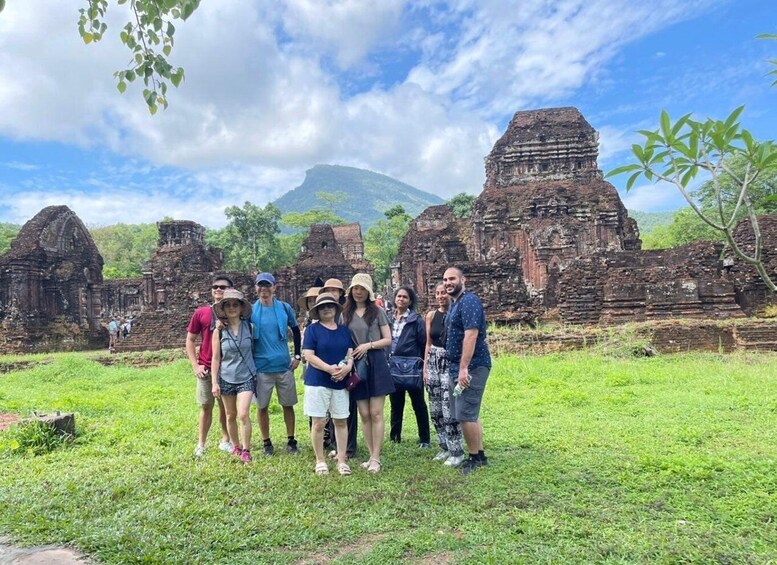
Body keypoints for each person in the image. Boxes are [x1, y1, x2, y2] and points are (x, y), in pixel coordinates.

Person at [442, 266, 492, 476]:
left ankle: (474, 458)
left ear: (464, 279)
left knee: (465, 413)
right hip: (458, 365)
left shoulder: (469, 301)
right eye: (445, 280)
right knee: (469, 412)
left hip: (472, 366)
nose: (448, 283)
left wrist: (463, 368)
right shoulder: (456, 303)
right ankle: (479, 454)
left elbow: (471, 335)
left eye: (452, 278)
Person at [343, 273, 393, 473]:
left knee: (376, 412)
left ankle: (376, 458)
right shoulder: (345, 314)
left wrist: (368, 345)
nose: (358, 292)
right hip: (356, 364)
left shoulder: (377, 311)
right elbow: (344, 340)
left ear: (369, 292)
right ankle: (371, 454)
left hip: (376, 361)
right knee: (364, 413)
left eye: (362, 288)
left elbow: (388, 339)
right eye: (355, 288)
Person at [301, 293, 354, 476]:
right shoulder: (312, 330)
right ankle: (320, 460)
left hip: (339, 381)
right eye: (322, 307)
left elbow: (349, 353)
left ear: (335, 309)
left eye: (330, 306)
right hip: (318, 381)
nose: (327, 309)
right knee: (318, 422)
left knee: (340, 420)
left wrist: (347, 368)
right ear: (317, 311)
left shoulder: (343, 330)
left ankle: (341, 459)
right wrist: (328, 369)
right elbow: (308, 354)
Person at [251, 272, 302, 456]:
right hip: (261, 366)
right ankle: (266, 443)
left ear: (274, 288)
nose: (264, 290)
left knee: (288, 404)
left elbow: (295, 330)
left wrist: (297, 355)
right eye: (260, 286)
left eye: (267, 286)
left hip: (283, 365)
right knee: (262, 406)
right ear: (256, 288)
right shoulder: (250, 311)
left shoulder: (284, 308)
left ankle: (291, 440)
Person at [186, 275, 234, 457]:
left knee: (226, 408)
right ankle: (201, 444)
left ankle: (225, 440)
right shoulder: (202, 313)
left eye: (223, 287)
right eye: (215, 287)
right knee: (206, 406)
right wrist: (195, 365)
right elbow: (190, 340)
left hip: (228, 367)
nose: (218, 290)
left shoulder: (236, 312)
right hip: (206, 366)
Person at [211, 289, 256, 463]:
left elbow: (254, 350)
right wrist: (214, 382)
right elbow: (216, 358)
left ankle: (246, 449)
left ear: (241, 307)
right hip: (227, 376)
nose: (232, 308)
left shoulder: (250, 327)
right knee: (230, 415)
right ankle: (235, 446)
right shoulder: (219, 331)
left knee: (243, 414)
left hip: (247, 375)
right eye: (228, 305)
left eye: (235, 305)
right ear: (223, 308)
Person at [424, 283, 465, 467]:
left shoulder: (456, 313)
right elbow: (428, 343)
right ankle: (444, 447)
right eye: (437, 293)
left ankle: (457, 450)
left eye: (443, 293)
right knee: (435, 408)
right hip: (433, 359)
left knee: (450, 408)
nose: (441, 296)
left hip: (450, 361)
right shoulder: (431, 316)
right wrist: (425, 368)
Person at [388, 286, 431, 448]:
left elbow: (423, 343)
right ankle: (394, 436)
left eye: (405, 297)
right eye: (399, 296)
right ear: (394, 299)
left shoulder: (416, 320)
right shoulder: (389, 319)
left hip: (412, 367)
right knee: (396, 403)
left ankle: (425, 439)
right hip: (394, 366)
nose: (401, 299)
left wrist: (422, 363)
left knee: (418, 403)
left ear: (410, 301)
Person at [320, 277, 358, 459]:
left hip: (346, 364)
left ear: (342, 293)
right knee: (330, 409)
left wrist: (347, 365)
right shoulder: (322, 311)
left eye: (336, 290)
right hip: (325, 367)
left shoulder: (346, 312)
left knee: (347, 409)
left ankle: (349, 447)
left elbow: (348, 340)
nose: (333, 293)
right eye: (329, 290)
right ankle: (333, 443)